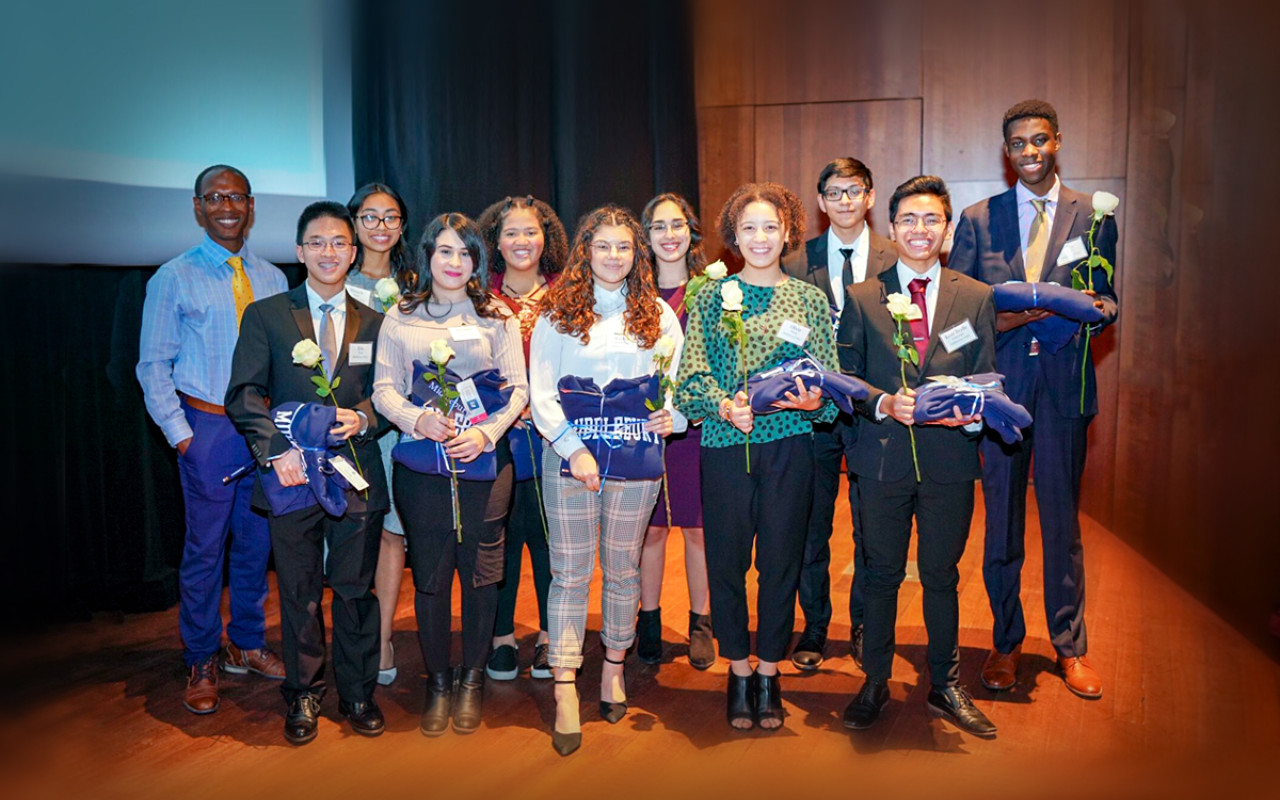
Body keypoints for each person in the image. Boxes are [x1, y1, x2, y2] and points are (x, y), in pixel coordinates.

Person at [949, 100, 1118, 700]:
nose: (1028, 152)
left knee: (1062, 523)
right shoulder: (976, 218)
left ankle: (1070, 647)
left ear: (1057, 142)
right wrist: (1033, 311)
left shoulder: (1093, 218)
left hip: (1066, 393)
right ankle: (1005, 641)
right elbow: (961, 315)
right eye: (1017, 143)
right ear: (1006, 150)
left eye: (1039, 140)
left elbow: (1107, 302)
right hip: (1002, 396)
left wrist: (1091, 312)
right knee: (1001, 524)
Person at [836, 176, 997, 737]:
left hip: (950, 459)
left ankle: (945, 685)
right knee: (879, 574)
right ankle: (875, 680)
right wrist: (882, 402)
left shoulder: (975, 296)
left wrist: (972, 415)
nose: (920, 230)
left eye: (932, 220)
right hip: (880, 462)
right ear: (893, 228)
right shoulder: (863, 298)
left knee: (941, 574)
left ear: (947, 230)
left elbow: (986, 381)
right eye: (908, 220)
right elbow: (847, 383)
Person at [675, 182, 836, 732]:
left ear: (789, 231)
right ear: (733, 236)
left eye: (771, 227)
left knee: (781, 562)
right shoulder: (708, 300)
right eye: (749, 228)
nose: (761, 237)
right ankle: (737, 669)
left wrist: (817, 402)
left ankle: (770, 670)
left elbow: (829, 389)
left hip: (790, 445)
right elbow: (688, 379)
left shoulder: (811, 300)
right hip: (724, 447)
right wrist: (722, 405)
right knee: (726, 562)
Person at [225, 201, 388, 745]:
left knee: (355, 590)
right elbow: (243, 394)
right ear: (299, 252)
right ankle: (304, 692)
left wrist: (363, 418)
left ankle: (359, 691)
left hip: (353, 471)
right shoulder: (267, 315)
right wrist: (275, 451)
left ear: (353, 251)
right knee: (297, 592)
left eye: (339, 242)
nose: (328, 252)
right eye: (316, 242)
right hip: (292, 477)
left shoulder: (376, 323)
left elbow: (386, 401)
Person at [529, 205, 685, 756]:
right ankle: (565, 684)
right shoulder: (557, 312)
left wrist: (677, 419)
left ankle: (613, 667)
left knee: (622, 568)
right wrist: (573, 451)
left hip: (636, 457)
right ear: (584, 252)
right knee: (570, 573)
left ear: (636, 253)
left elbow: (674, 391)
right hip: (570, 454)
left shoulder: (657, 314)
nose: (613, 256)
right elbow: (541, 392)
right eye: (603, 246)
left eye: (624, 246)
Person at [136, 164, 287, 716]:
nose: (228, 206)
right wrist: (183, 439)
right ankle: (200, 655)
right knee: (204, 551)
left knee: (256, 544)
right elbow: (152, 367)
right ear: (198, 207)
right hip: (208, 429)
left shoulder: (271, 279)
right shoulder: (172, 278)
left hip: (262, 430)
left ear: (251, 207)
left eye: (238, 197)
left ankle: (244, 643)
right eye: (216, 197)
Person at [373, 213, 526, 736]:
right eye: (444, 251)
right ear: (427, 256)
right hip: (423, 465)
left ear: (477, 260)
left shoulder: (496, 315)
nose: (454, 262)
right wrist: (419, 419)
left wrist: (485, 434)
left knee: (481, 578)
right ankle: (438, 682)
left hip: (485, 464)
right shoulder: (402, 315)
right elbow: (383, 389)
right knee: (434, 580)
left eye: (465, 253)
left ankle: (472, 680)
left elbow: (519, 390)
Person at [781, 158, 897, 671]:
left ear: (870, 197)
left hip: (874, 411)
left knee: (872, 527)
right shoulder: (792, 261)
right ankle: (815, 626)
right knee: (812, 525)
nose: (845, 200)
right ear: (822, 203)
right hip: (813, 411)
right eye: (834, 192)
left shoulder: (898, 257)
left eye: (855, 190)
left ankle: (865, 625)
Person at [476, 196, 569, 682]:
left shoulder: (570, 295)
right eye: (510, 233)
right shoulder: (477, 298)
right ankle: (502, 636)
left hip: (556, 437)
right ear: (495, 241)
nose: (521, 242)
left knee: (552, 538)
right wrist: (507, 412)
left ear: (546, 238)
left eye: (531, 232)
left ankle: (553, 635)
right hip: (498, 438)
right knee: (503, 539)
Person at [635, 192, 713, 670]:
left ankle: (702, 622)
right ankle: (648, 619)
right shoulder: (630, 292)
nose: (669, 235)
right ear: (645, 236)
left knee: (699, 529)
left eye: (677, 225)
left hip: (697, 428)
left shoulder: (712, 290)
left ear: (691, 232)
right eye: (658, 226)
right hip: (644, 423)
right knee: (652, 530)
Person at [345, 182, 414, 686]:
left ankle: (385, 634)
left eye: (391, 218)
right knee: (348, 537)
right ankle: (351, 637)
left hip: (399, 425)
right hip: (346, 426)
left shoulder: (416, 287)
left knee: (393, 533)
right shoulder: (332, 281)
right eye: (370, 217)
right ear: (352, 224)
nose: (381, 227)